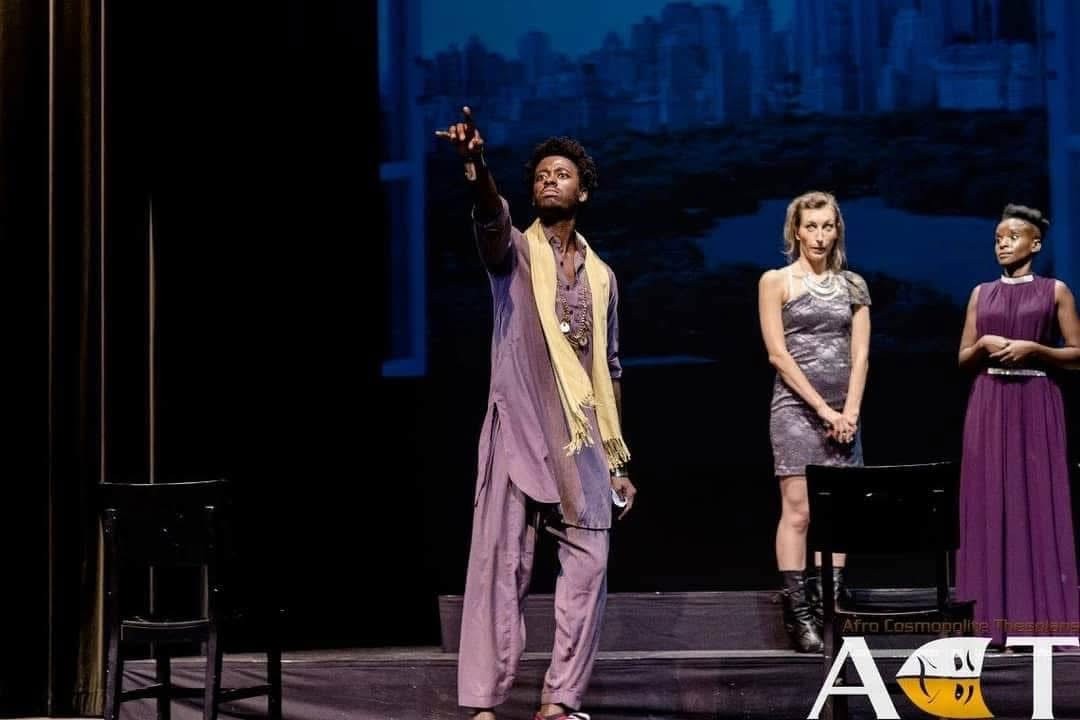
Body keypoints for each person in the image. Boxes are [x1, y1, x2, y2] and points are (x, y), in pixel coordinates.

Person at [435, 107, 637, 720]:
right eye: (542, 175)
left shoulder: (603, 277)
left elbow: (610, 366)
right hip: (519, 429)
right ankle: (484, 703)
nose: (550, 180)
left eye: (562, 174)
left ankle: (560, 700)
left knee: (590, 567)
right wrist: (476, 166)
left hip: (580, 441)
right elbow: (489, 217)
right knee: (500, 568)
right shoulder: (515, 254)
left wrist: (617, 459)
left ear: (583, 191)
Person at [955, 203, 1080, 648]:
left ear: (1036, 243)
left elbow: (1077, 354)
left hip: (1036, 400)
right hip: (989, 402)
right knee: (989, 502)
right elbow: (963, 358)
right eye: (997, 239)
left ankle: (1045, 622)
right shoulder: (980, 294)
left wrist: (1036, 349)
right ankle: (990, 624)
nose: (1003, 245)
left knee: (1037, 500)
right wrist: (983, 344)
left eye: (1012, 237)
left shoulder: (1055, 291)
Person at [757, 191, 871, 653]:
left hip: (845, 414)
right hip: (796, 410)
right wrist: (824, 410)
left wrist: (851, 412)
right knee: (799, 510)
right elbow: (777, 354)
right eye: (811, 226)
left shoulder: (854, 284)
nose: (820, 236)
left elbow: (861, 354)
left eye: (827, 226)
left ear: (837, 229)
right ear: (796, 231)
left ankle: (831, 607)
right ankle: (799, 612)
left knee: (839, 513)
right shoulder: (776, 281)